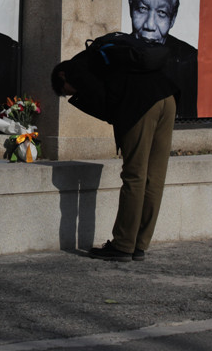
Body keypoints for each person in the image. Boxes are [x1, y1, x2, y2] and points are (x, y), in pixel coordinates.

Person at [52, 33, 178, 261]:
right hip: (166, 98)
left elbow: (108, 101)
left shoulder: (77, 69)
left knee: (134, 175)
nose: (69, 94)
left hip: (141, 104)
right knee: (155, 176)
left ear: (62, 75)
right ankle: (139, 244)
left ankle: (122, 245)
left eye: (65, 90)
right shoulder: (98, 59)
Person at [127, 0, 198, 118]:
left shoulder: (188, 59)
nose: (150, 25)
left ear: (173, 17)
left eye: (162, 12)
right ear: (131, 4)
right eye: (142, 9)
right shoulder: (119, 55)